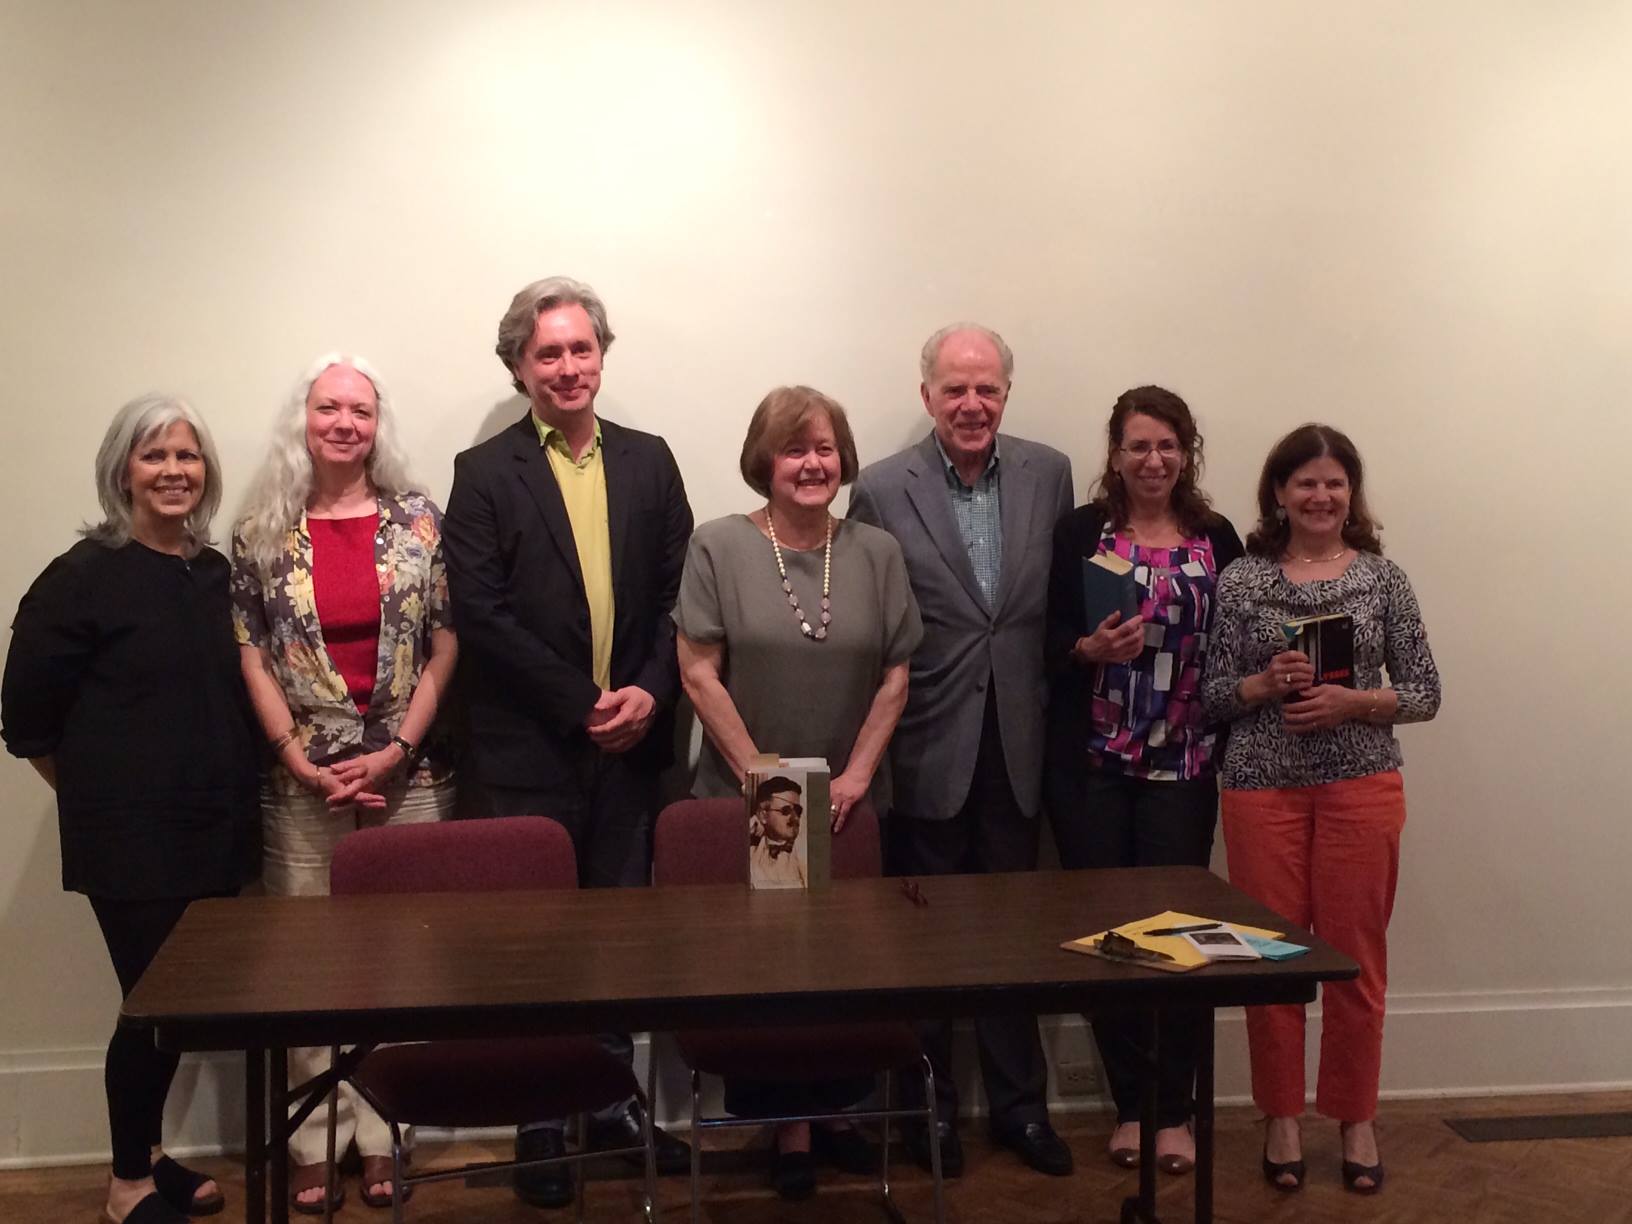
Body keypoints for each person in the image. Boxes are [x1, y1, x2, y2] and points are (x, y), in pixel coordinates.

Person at [442, 275, 694, 1206]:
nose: (567, 366)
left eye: (581, 348)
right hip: (529, 751)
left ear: (602, 355)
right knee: (537, 944)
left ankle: (612, 1103)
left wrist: (649, 693)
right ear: (518, 366)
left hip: (633, 744)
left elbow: (680, 598)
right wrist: (585, 703)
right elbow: (483, 614)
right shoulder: (483, 472)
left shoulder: (650, 460)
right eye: (546, 353)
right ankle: (542, 1119)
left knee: (619, 936)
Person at [1, 395, 258, 1224]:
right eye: (155, 456)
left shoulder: (214, 573)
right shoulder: (79, 578)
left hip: (216, 830)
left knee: (179, 1010)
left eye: (187, 455)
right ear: (122, 472)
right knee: (152, 1008)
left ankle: (147, 1156)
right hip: (130, 843)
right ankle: (125, 1187)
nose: (174, 471)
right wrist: (105, 801)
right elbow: (26, 723)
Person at [675, 385, 922, 1199]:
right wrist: (763, 778)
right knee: (770, 966)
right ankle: (788, 1125)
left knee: (850, 959)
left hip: (852, 798)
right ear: (765, 461)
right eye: (794, 449)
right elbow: (698, 672)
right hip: (749, 794)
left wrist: (856, 775)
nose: (813, 464)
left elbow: (895, 676)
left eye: (825, 449)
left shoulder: (876, 552)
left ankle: (838, 1112)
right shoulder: (717, 545)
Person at [231, 355, 459, 1213]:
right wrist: (294, 754)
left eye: (360, 410)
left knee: (402, 963)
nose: (344, 423)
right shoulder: (260, 531)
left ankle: (384, 1135)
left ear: (377, 424)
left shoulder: (420, 522)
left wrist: (397, 748)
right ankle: (312, 1141)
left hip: (411, 776)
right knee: (308, 968)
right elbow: (251, 653)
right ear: (304, 418)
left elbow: (445, 646)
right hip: (304, 783)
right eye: (329, 407)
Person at [848, 324, 1075, 1179]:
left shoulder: (1049, 474)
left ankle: (1021, 1110)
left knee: (1013, 937)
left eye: (987, 389)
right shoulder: (880, 486)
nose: (972, 404)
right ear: (927, 397)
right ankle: (928, 1109)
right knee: (927, 940)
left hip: (1020, 745)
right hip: (924, 746)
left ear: (1006, 394)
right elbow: (870, 623)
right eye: (955, 389)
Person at [1201, 423, 1441, 1195]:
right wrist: (1262, 686)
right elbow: (1210, 696)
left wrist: (1354, 702)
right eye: (1305, 481)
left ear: (1351, 494)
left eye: (1335, 483)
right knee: (1272, 959)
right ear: (1279, 492)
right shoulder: (1242, 580)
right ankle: (1280, 1118)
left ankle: (1355, 1118)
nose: (1320, 495)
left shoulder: (1383, 579)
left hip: (1360, 788)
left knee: (1355, 960)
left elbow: (1425, 693)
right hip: (1260, 789)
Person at [1044, 385, 1244, 1175]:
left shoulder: (1215, 537)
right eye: (1138, 446)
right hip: (1092, 765)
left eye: (1167, 445)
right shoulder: (1079, 532)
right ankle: (1130, 1106)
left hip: (1182, 764)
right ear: (1116, 454)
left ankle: (1174, 1114)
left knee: (1177, 942)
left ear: (1186, 453)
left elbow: (1240, 642)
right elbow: (1045, 636)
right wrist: (1086, 650)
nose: (1153, 460)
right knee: (1110, 942)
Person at [749, 775, 808, 889]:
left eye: (797, 810)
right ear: (763, 815)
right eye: (785, 810)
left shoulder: (806, 855)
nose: (795, 817)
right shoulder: (751, 856)